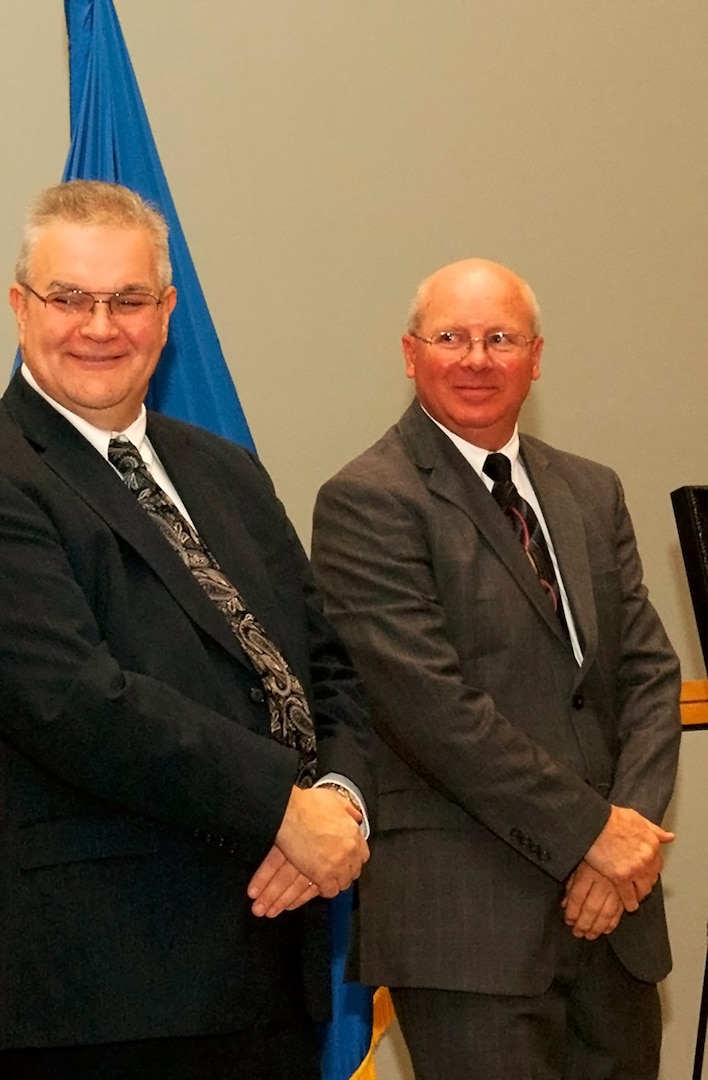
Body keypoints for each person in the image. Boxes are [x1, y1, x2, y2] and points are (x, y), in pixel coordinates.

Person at [0, 179, 373, 1080]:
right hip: (116, 984)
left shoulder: (229, 472)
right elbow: (76, 702)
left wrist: (341, 804)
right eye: (69, 298)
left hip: (279, 954)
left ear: (166, 313)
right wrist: (281, 807)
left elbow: (327, 670)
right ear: (19, 308)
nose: (99, 325)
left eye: (126, 299)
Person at [311, 258, 681, 1078]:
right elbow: (432, 710)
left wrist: (626, 843)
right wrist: (594, 835)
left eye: (499, 338)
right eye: (451, 337)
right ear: (410, 354)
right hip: (470, 932)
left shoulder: (591, 490)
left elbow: (653, 677)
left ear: (536, 357)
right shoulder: (367, 498)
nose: (476, 358)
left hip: (614, 922)